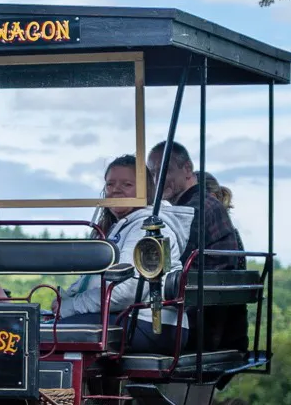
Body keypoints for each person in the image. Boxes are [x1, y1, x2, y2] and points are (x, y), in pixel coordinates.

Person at [57, 155, 193, 337]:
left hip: (151, 321)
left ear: (145, 191)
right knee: (44, 325)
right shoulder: (116, 229)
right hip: (124, 316)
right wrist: (66, 302)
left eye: (127, 185)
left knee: (52, 333)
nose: (116, 190)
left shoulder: (148, 227)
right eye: (110, 184)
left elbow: (126, 292)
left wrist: (70, 307)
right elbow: (91, 281)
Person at [145, 142, 244, 270]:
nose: (157, 180)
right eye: (152, 173)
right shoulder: (198, 205)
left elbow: (167, 260)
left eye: (166, 170)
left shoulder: (196, 210)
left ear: (187, 169)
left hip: (200, 282)